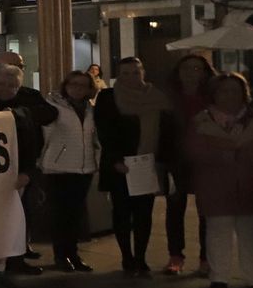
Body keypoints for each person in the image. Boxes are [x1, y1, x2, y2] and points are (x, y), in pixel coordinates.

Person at [187, 72, 253, 288]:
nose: (229, 96)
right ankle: (219, 278)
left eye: (234, 90)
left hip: (252, 188)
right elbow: (193, 151)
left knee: (252, 234)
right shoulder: (201, 121)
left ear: (244, 93)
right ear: (214, 94)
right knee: (217, 233)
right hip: (215, 188)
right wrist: (219, 155)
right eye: (223, 90)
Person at [93, 57, 178, 276]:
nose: (132, 77)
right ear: (119, 75)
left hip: (147, 163)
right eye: (126, 73)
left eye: (135, 72)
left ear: (143, 72)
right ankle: (127, 257)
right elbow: (105, 130)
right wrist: (115, 160)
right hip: (121, 165)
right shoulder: (108, 97)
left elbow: (167, 132)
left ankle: (140, 257)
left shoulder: (157, 97)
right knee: (121, 212)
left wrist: (163, 161)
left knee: (143, 213)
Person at [0, 63, 51, 275]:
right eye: (0, 84)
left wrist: (28, 172)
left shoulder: (26, 110)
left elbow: (31, 143)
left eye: (11, 85)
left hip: (18, 175)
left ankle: (16, 260)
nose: (5, 88)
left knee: (19, 219)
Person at [39, 70, 99, 272]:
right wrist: (43, 159)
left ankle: (73, 254)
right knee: (60, 215)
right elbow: (44, 135)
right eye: (73, 84)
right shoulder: (53, 106)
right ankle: (60, 256)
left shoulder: (90, 109)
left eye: (83, 85)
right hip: (58, 168)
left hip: (83, 168)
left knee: (75, 215)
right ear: (66, 85)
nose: (77, 88)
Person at [164, 53, 216, 274]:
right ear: (178, 72)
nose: (191, 73)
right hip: (176, 158)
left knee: (206, 211)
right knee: (175, 208)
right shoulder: (168, 97)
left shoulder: (213, 96)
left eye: (197, 68)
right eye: (186, 68)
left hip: (206, 159)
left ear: (205, 72)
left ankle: (206, 258)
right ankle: (176, 257)